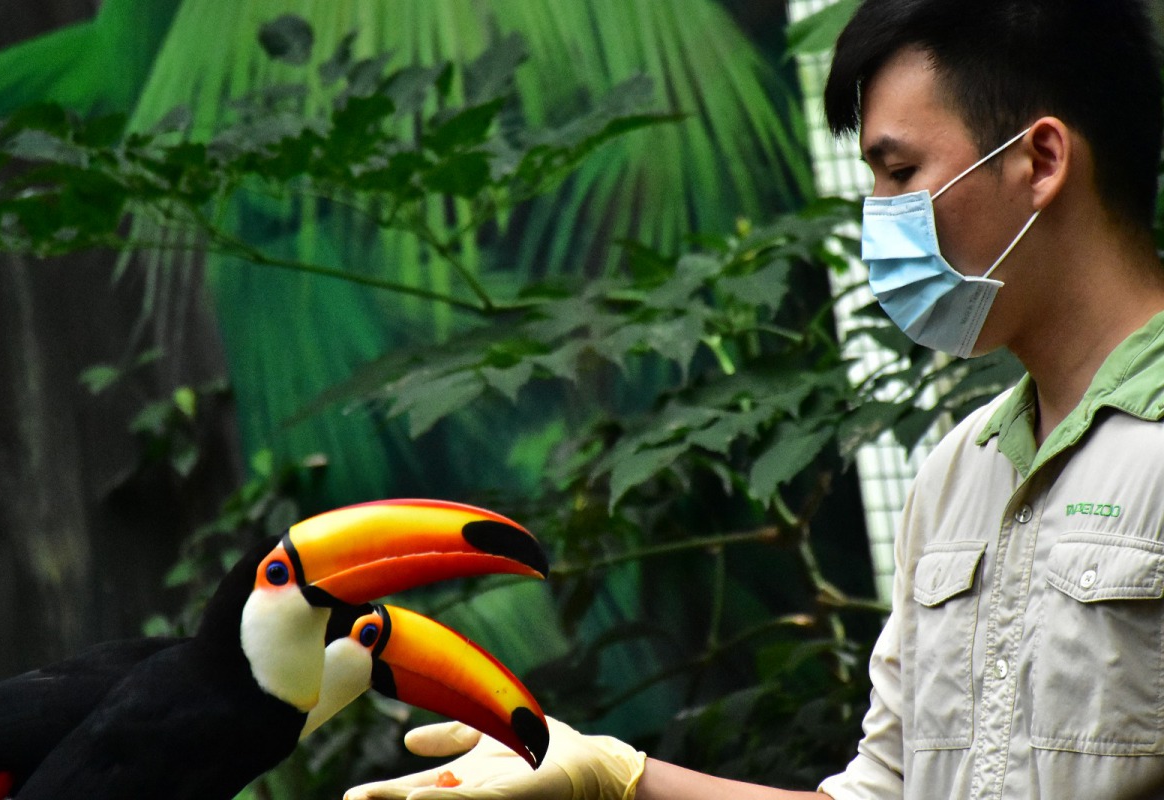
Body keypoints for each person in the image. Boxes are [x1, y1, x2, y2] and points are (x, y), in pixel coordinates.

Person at [346, 0, 1164, 797]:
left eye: (901, 172)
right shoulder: (960, 474)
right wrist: (620, 777)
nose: (880, 214)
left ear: (1043, 162)